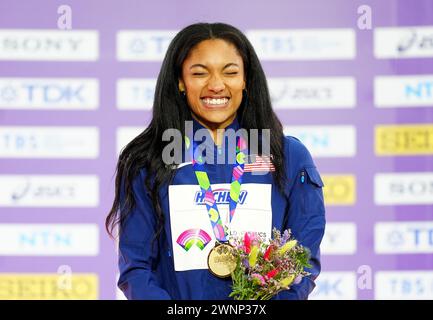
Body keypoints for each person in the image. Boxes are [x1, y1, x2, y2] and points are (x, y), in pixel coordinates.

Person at [106, 22, 326, 300]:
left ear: (246, 80)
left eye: (230, 72)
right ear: (180, 81)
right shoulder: (147, 160)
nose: (216, 85)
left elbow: (301, 262)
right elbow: (136, 269)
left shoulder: (288, 156)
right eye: (199, 73)